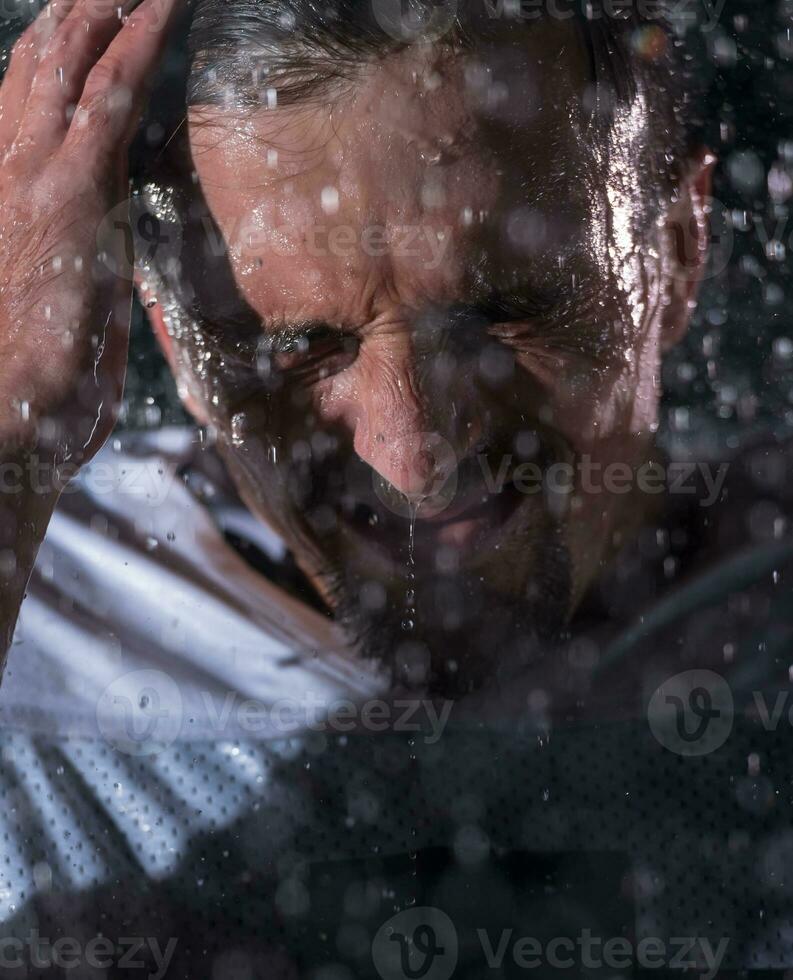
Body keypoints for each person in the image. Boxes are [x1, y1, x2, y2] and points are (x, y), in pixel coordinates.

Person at [0, 0, 791, 973]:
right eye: (301, 348)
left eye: (499, 314)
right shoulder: (33, 640)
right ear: (177, 348)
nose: (413, 457)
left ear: (674, 253)